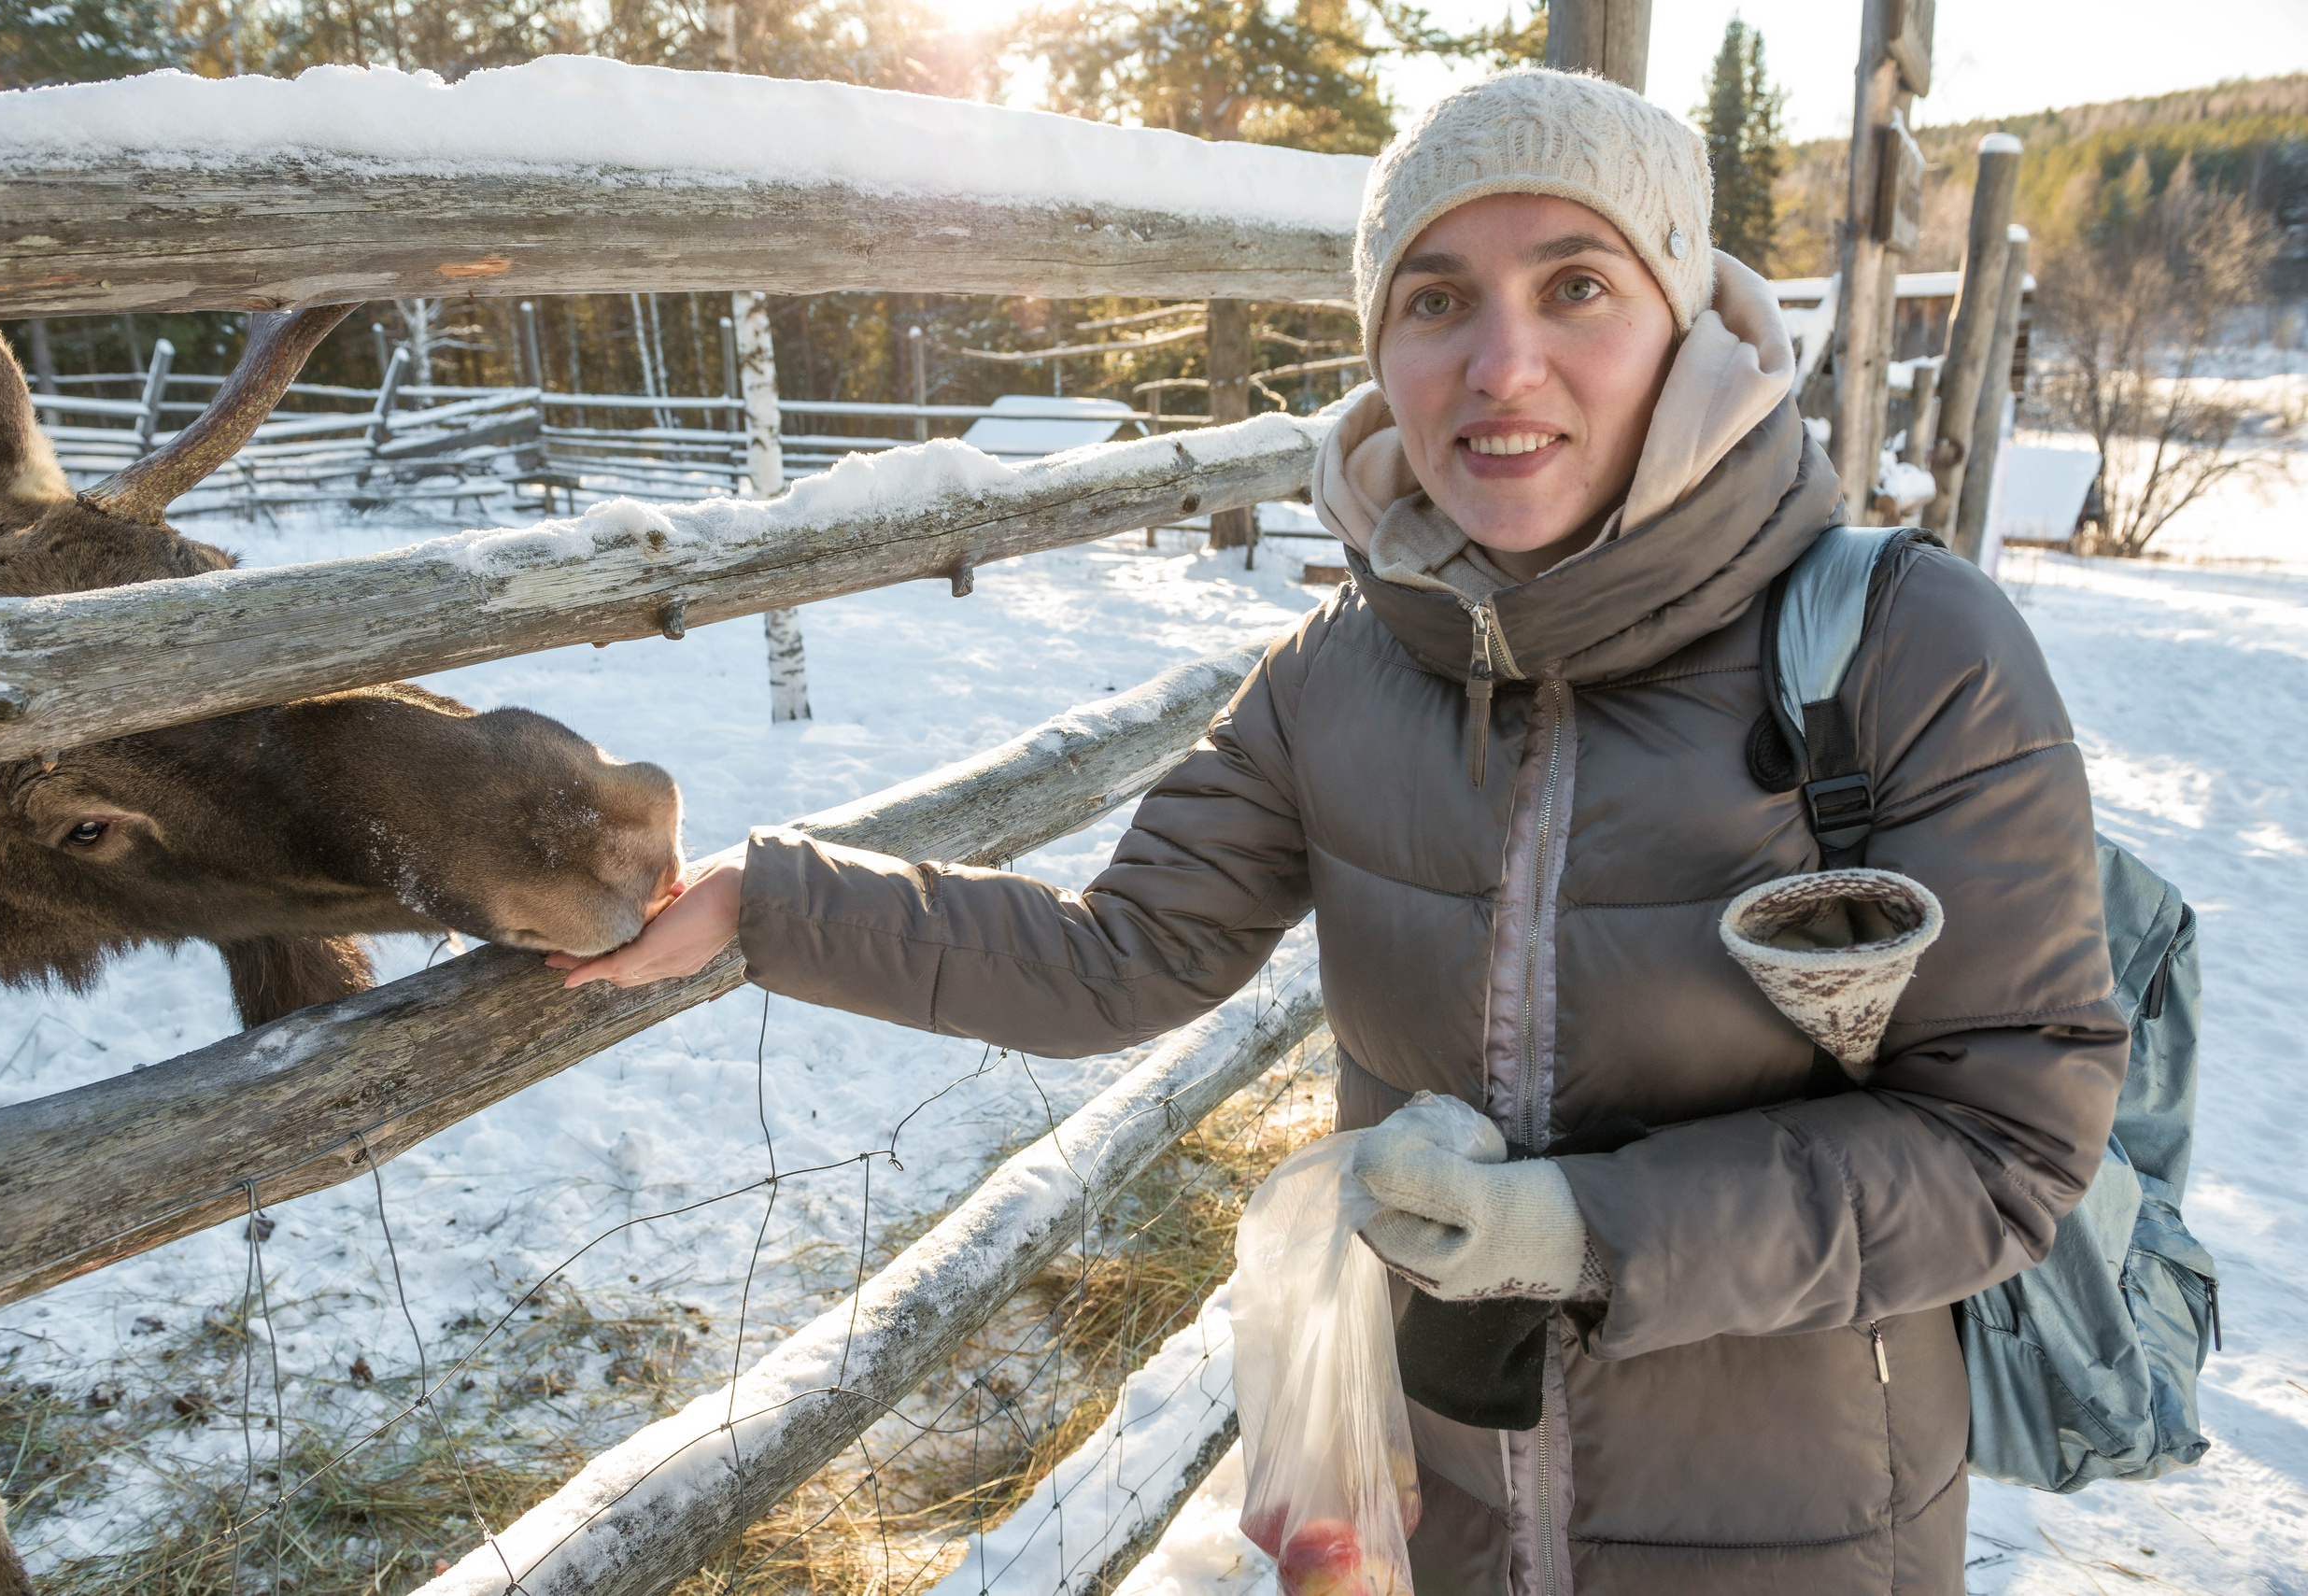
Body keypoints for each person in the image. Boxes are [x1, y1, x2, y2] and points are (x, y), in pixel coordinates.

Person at [554, 67, 2125, 1596]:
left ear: (1692, 324)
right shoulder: (1338, 675)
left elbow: (2006, 1146)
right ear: (1381, 346)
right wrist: (773, 898)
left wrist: (1580, 1226)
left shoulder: (1909, 652)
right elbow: (1121, 959)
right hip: (1439, 1514)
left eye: (1577, 283)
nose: (1500, 364)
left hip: (1794, 1531)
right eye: (1436, 298)